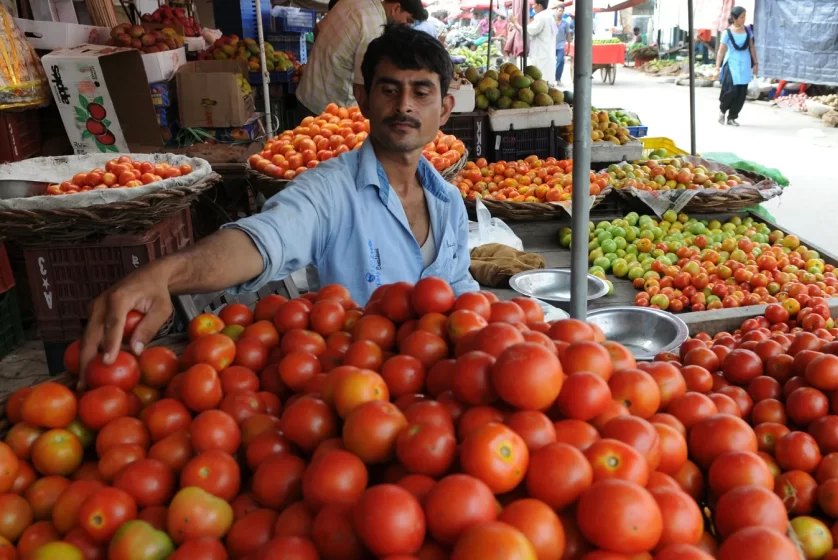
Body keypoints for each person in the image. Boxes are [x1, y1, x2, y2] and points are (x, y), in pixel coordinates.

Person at [79, 26, 479, 372]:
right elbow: (263, 239)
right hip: (355, 386)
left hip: (436, 392)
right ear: (363, 98)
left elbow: (461, 291)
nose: (405, 105)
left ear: (444, 109)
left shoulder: (448, 203)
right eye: (389, 89)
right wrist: (165, 274)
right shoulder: (329, 191)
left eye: (421, 92)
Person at [295, 0, 427, 119]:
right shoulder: (374, 28)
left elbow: (318, 29)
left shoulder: (352, 2)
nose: (408, 26)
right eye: (409, 20)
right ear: (396, 8)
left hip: (307, 93)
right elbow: (362, 85)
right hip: (330, 111)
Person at [715, 6, 758, 126]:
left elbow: (752, 47)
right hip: (732, 63)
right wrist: (717, 66)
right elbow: (721, 50)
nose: (744, 19)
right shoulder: (727, 32)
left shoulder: (748, 31)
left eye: (745, 17)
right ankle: (723, 110)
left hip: (744, 64)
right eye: (741, 17)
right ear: (734, 18)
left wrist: (755, 63)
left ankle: (732, 117)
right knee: (730, 91)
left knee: (741, 93)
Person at [515, 0, 556, 82]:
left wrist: (515, 22)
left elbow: (527, 31)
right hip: (548, 55)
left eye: (534, 4)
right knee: (546, 82)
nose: (532, 6)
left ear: (539, 5)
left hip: (541, 56)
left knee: (539, 82)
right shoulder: (550, 17)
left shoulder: (541, 17)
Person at [554, 5, 569, 86]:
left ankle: (558, 79)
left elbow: (568, 34)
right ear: (556, 11)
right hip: (551, 45)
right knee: (551, 61)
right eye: (559, 10)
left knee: (560, 61)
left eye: (562, 11)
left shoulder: (565, 23)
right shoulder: (551, 21)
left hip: (561, 45)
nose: (561, 12)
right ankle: (550, 78)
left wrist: (568, 46)